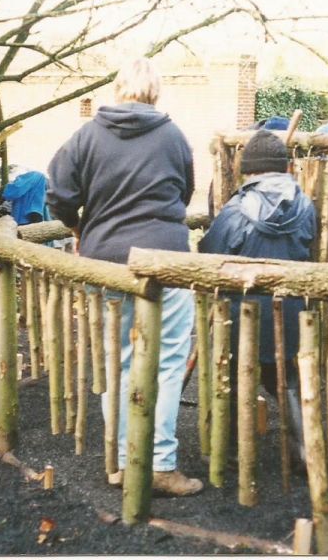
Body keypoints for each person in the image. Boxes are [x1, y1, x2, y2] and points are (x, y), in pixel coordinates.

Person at [46, 57, 202, 496]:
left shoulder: (86, 136)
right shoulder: (173, 136)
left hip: (105, 262)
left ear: (117, 89)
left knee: (117, 362)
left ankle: (118, 462)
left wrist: (80, 228)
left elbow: (57, 194)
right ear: (156, 91)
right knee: (167, 364)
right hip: (166, 260)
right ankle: (159, 465)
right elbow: (184, 193)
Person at [197, 129, 317, 465]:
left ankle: (228, 449)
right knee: (288, 380)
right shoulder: (305, 205)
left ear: (250, 170)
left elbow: (213, 254)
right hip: (291, 310)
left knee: (231, 378)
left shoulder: (236, 209)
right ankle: (304, 454)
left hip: (243, 313)